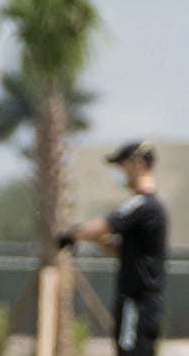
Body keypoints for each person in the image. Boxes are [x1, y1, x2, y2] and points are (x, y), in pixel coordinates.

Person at [57, 140, 168, 355]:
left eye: (122, 166)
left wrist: (72, 234)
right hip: (145, 303)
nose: (120, 173)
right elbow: (119, 246)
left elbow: (107, 225)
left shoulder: (141, 204)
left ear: (137, 165)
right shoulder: (153, 209)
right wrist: (93, 239)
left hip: (137, 302)